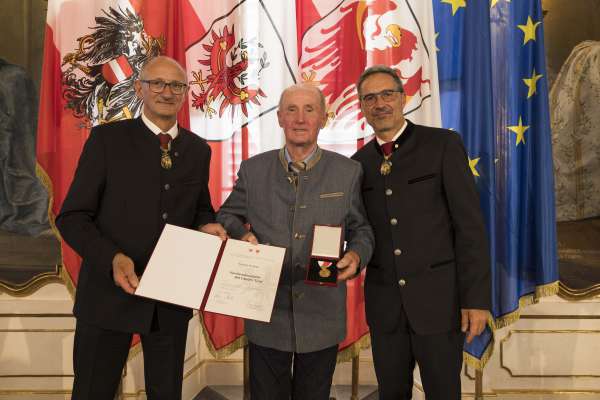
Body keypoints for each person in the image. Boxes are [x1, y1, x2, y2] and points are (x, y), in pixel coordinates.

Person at [56, 56, 226, 400]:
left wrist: (208, 227)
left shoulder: (197, 150)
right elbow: (72, 218)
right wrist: (112, 258)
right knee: (92, 391)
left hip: (170, 299)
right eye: (157, 83)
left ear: (185, 93)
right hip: (107, 295)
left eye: (176, 85)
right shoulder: (106, 140)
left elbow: (199, 210)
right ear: (139, 88)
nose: (167, 91)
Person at [217, 83, 374, 400]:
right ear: (279, 118)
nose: (300, 118)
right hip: (266, 311)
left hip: (322, 314)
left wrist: (356, 256)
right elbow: (226, 215)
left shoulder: (349, 171)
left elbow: (363, 230)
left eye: (309, 109)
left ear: (323, 118)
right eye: (291, 109)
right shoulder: (253, 169)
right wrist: (242, 234)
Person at [351, 65, 491, 399]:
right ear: (362, 107)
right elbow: (357, 229)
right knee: (392, 393)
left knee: (443, 393)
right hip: (386, 309)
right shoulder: (357, 165)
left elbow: (469, 228)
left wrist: (475, 300)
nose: (380, 103)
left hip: (439, 305)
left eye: (388, 94)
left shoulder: (441, 145)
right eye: (370, 98)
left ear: (403, 98)